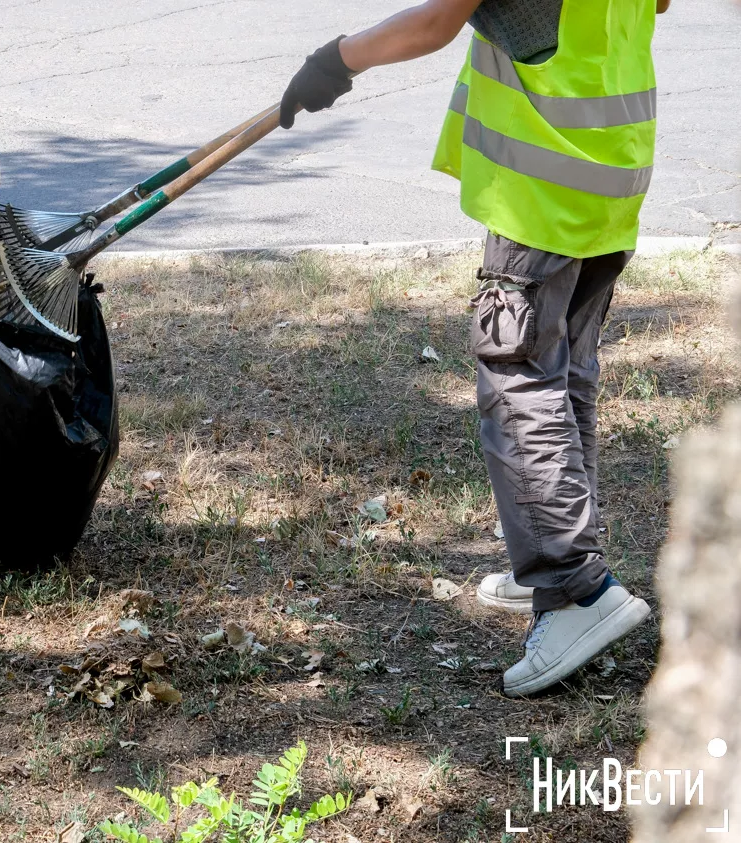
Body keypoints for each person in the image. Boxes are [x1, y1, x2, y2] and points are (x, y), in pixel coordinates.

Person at [277, 0, 665, 696]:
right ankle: (557, 565)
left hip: (543, 181)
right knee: (562, 372)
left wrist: (334, 61)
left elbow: (437, 21)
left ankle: (576, 591)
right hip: (612, 166)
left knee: (519, 378)